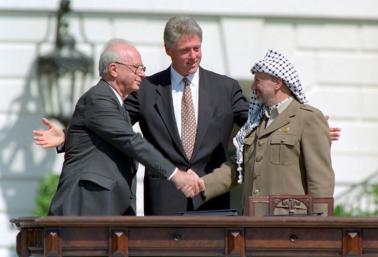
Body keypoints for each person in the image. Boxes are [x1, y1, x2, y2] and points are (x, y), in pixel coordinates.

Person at [34, 17, 341, 215]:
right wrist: (68, 137)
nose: (193, 56)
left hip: (212, 198)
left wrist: (304, 125)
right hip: (164, 202)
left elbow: (258, 122)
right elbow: (115, 128)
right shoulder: (147, 88)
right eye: (185, 50)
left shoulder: (226, 87)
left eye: (197, 48)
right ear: (169, 50)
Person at [42, 39, 202, 216]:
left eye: (143, 69)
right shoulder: (98, 99)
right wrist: (176, 175)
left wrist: (67, 136)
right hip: (86, 207)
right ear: (114, 69)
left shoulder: (117, 104)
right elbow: (129, 141)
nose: (142, 74)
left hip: (108, 210)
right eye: (136, 68)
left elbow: (100, 136)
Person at [195, 49, 335, 216]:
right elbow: (238, 167)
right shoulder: (255, 123)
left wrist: (319, 228)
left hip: (290, 228)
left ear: (277, 82)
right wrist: (201, 184)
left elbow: (320, 182)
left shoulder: (307, 118)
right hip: (251, 225)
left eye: (258, 81)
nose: (253, 87)